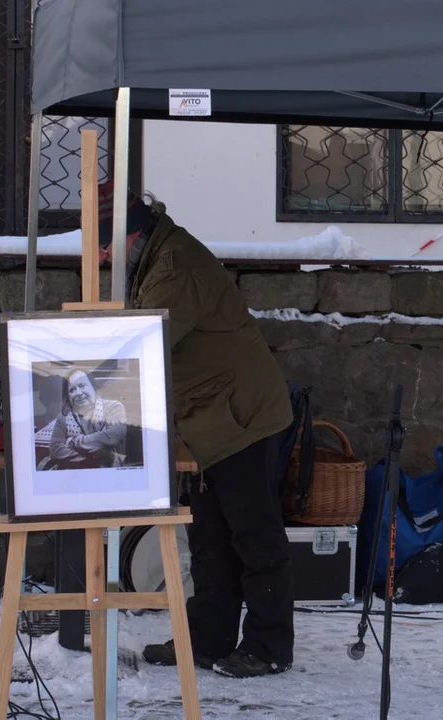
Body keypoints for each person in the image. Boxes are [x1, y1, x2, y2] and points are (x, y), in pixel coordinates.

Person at [95, 180, 296, 678]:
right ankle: (207, 639)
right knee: (210, 537)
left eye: (103, 243)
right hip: (209, 418)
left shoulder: (176, 265)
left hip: (239, 416)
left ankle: (269, 648)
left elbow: (146, 339)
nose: (99, 254)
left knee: (253, 537)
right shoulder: (155, 253)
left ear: (128, 234)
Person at [46, 368, 128, 469]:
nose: (78, 393)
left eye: (82, 385)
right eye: (72, 390)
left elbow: (111, 437)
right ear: (68, 397)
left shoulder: (114, 407)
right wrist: (96, 456)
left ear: (93, 387)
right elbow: (55, 451)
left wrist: (74, 442)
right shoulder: (63, 416)